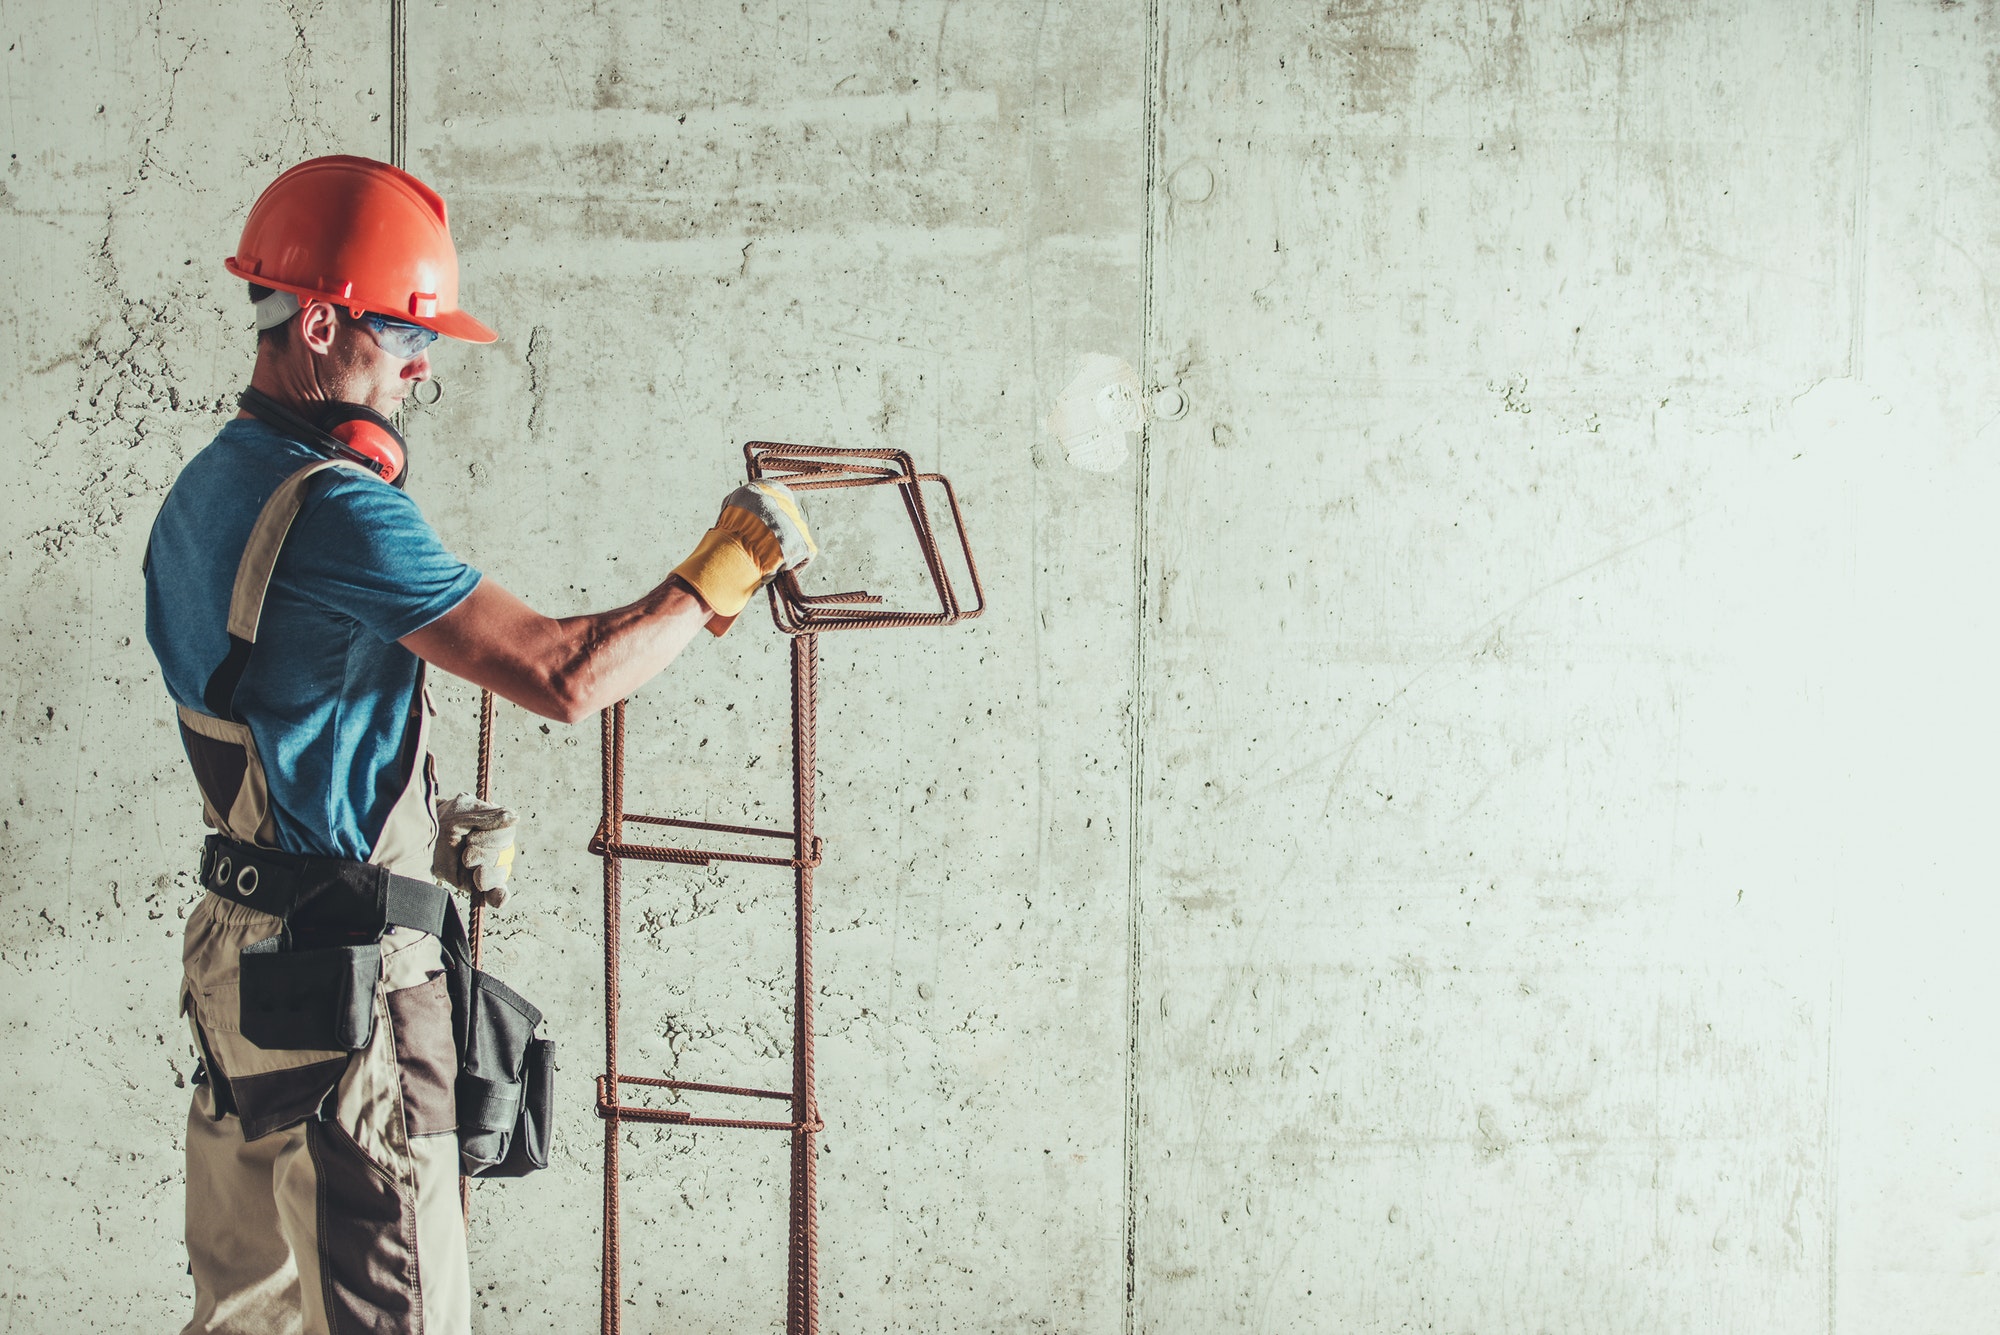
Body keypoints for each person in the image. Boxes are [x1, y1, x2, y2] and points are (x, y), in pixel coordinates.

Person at [142, 155, 815, 1335]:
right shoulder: (339, 506)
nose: (420, 368)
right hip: (349, 990)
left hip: (242, 970)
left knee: (249, 1318)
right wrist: (726, 568)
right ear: (314, 322)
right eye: (408, 335)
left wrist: (417, 840)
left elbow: (277, 719)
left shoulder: (206, 490)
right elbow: (566, 673)